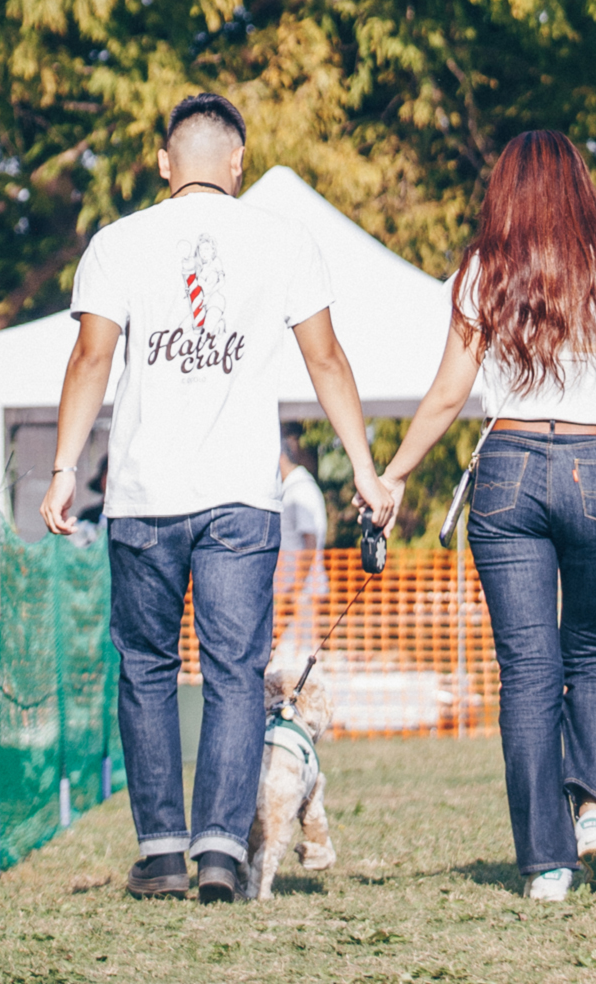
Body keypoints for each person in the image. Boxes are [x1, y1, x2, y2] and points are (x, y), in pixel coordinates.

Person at [41, 93, 393, 904]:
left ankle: (161, 851)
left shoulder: (116, 243)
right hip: (242, 494)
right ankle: (220, 855)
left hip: (142, 492)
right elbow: (328, 360)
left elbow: (90, 359)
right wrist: (366, 472)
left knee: (146, 668)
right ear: (238, 165)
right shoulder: (282, 239)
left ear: (165, 164)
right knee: (237, 673)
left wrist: (64, 468)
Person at [369, 130, 596, 902]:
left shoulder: (484, 273)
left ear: (506, 194)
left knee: (527, 669)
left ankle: (546, 865)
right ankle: (595, 813)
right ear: (581, 187)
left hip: (510, 468)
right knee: (594, 652)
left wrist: (392, 475)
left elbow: (450, 394)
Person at [275, 427, 329, 653]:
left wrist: (295, 589)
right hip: (293, 592)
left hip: (300, 593)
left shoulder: (301, 489)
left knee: (296, 658)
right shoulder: (292, 489)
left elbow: (310, 541)